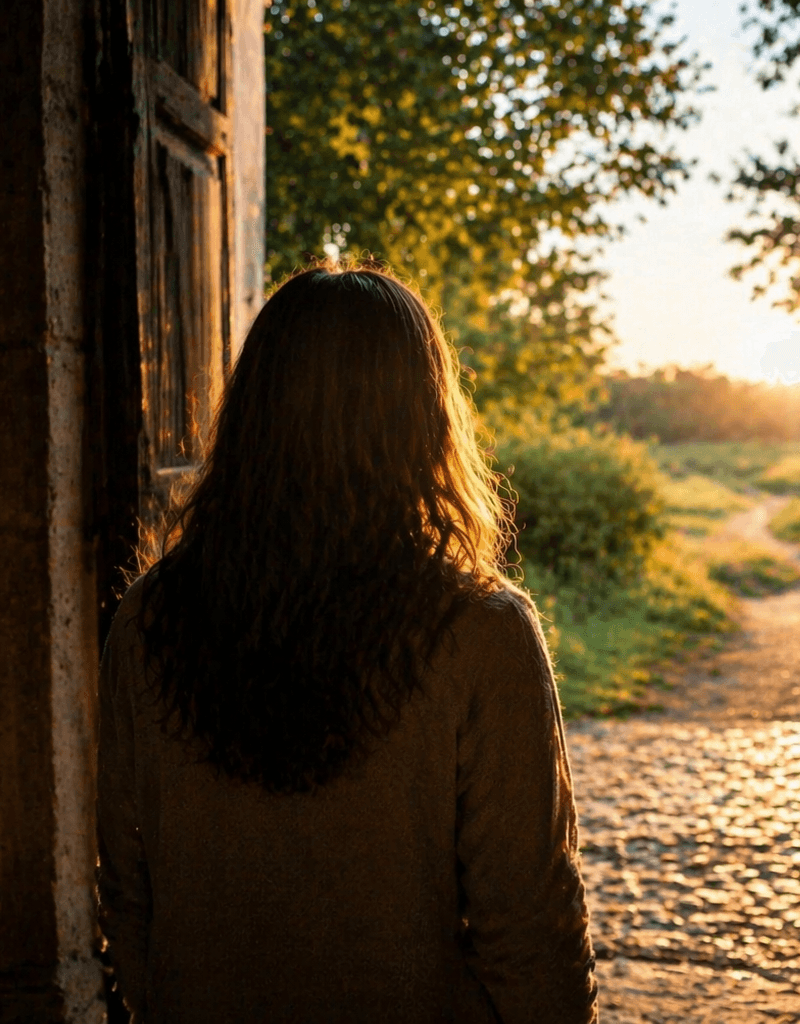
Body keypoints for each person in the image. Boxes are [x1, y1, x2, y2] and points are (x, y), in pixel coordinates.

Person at [96, 264, 597, 1022]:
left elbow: (128, 889)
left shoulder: (147, 619)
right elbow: (530, 927)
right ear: (425, 417)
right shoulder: (480, 632)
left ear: (254, 414)